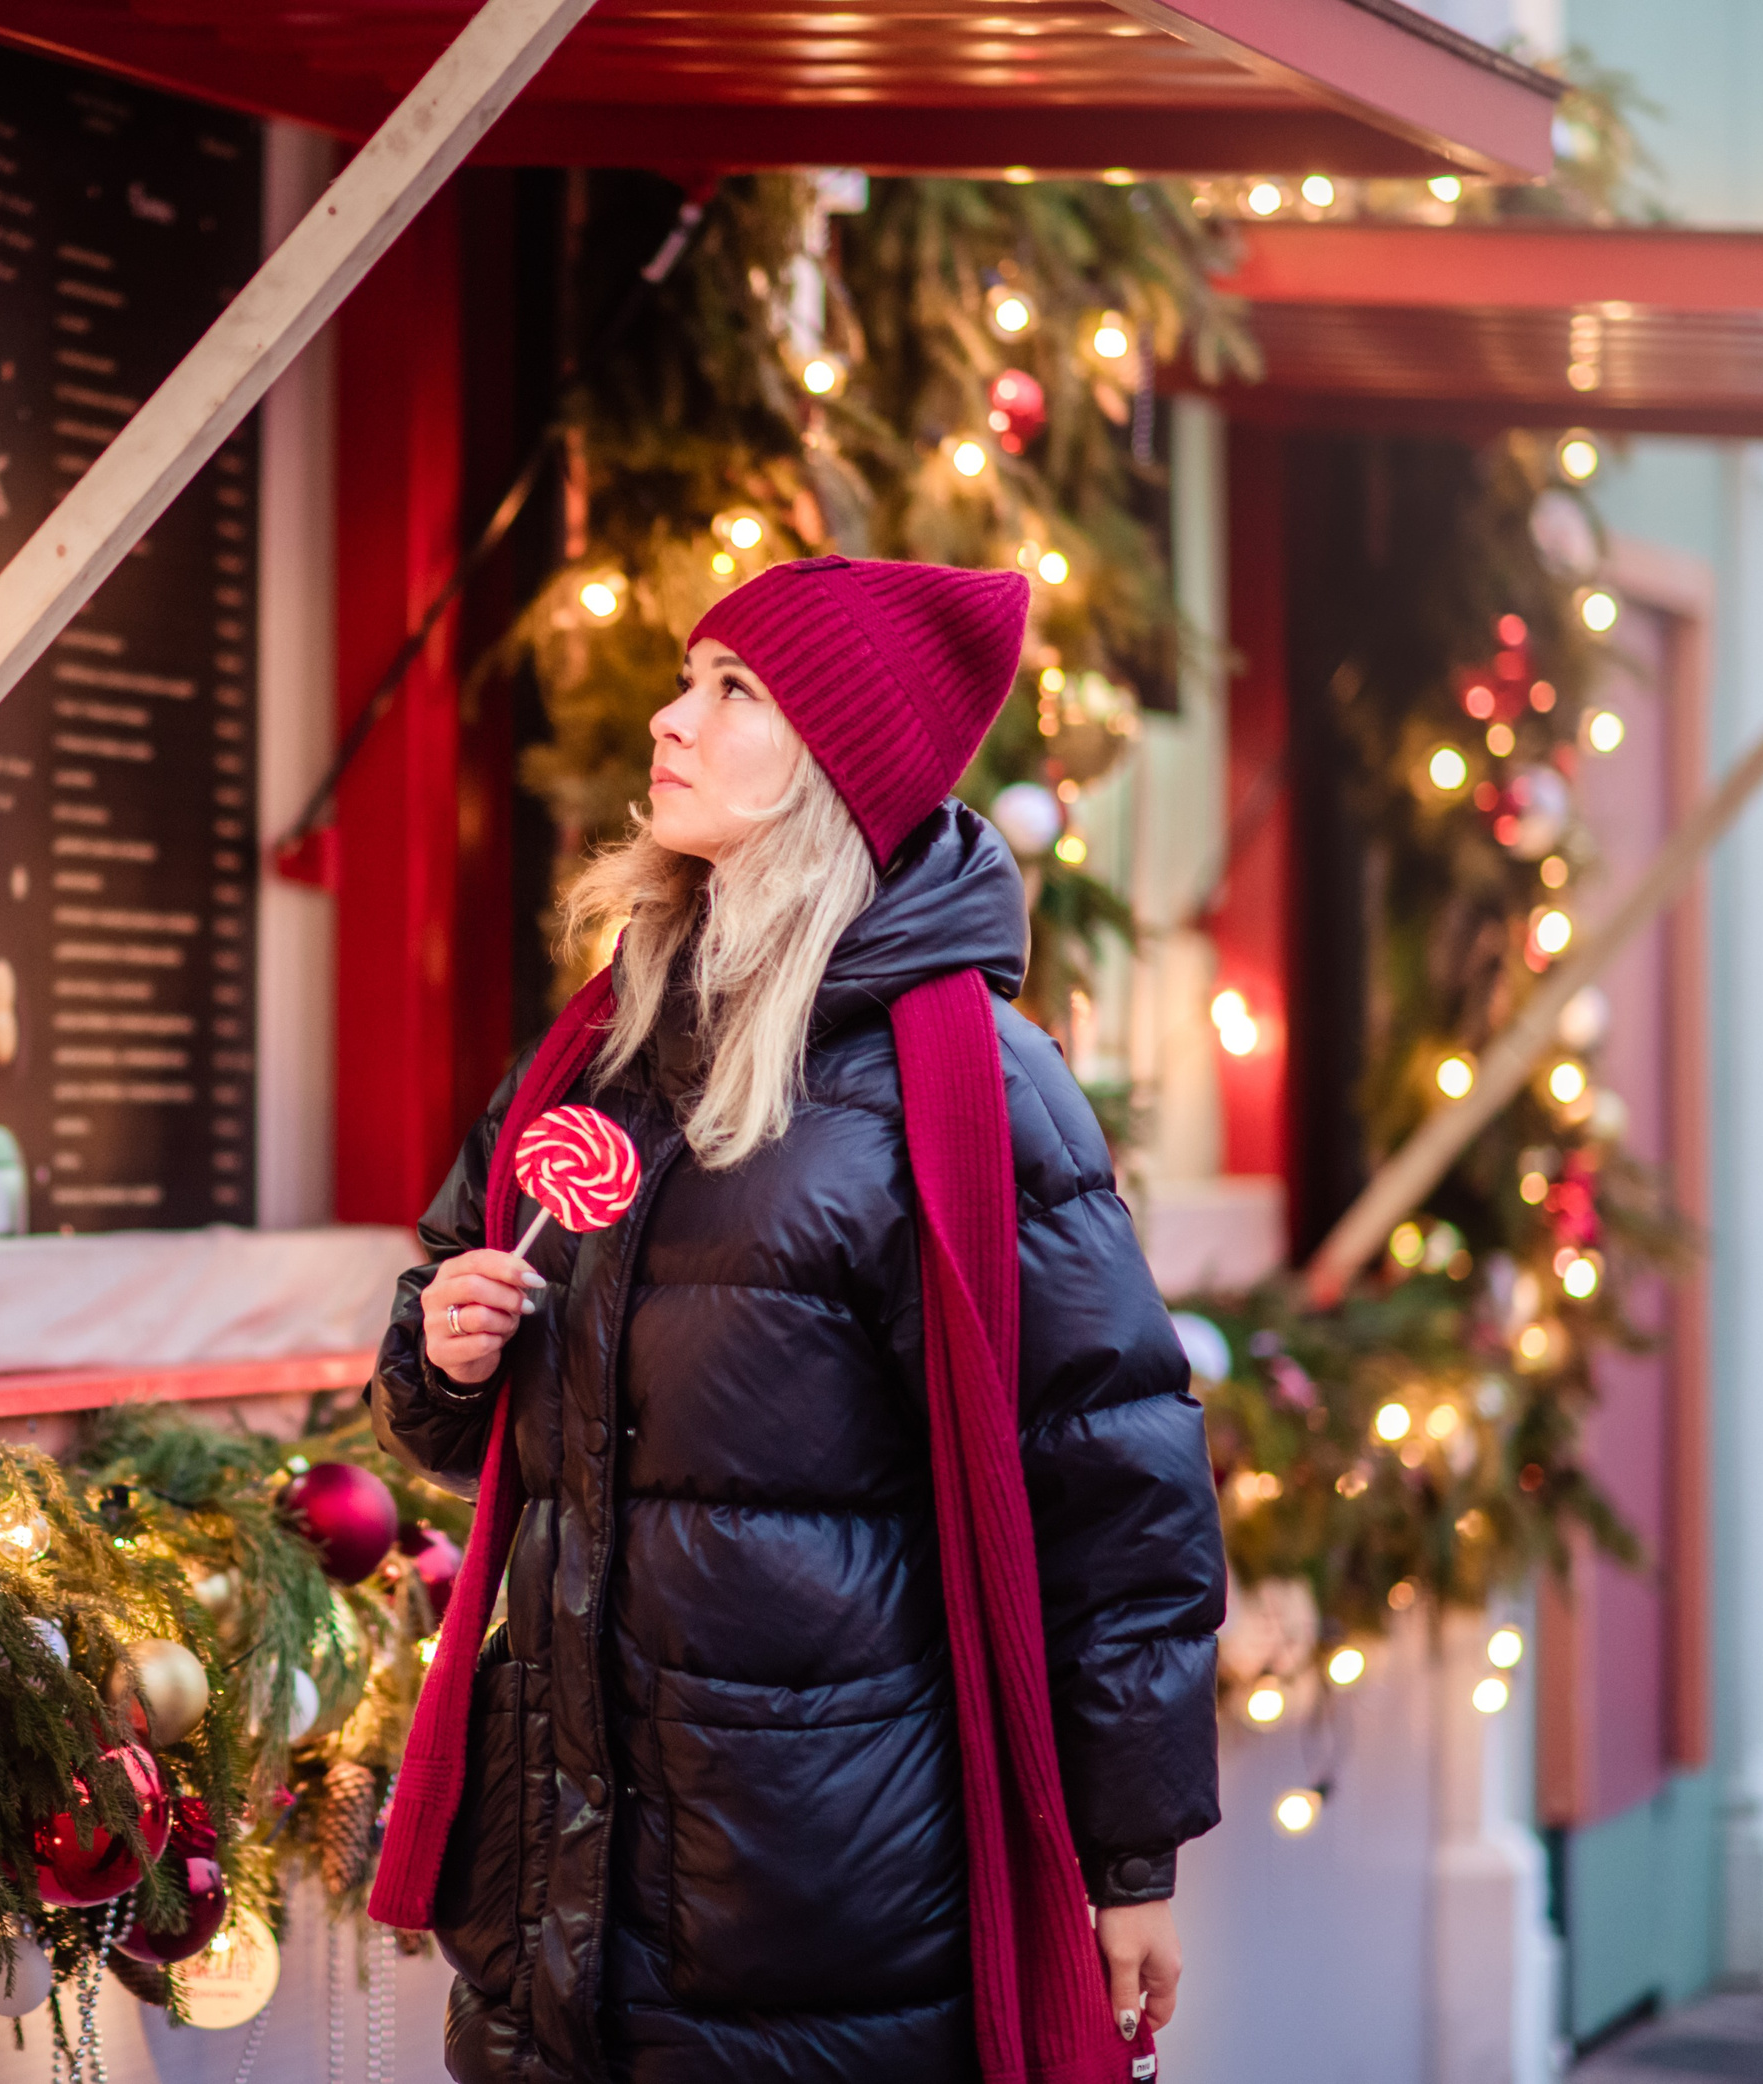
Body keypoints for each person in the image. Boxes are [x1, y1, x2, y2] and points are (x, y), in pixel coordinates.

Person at [365, 556, 1226, 2084]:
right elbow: (451, 1383)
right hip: (557, 1907)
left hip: (818, 1919)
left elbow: (1116, 1488)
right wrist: (440, 1345)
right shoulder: (602, 1044)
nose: (668, 718)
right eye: (688, 679)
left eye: (733, 691)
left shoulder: (966, 1090)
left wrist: (1131, 1860)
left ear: (838, 762)